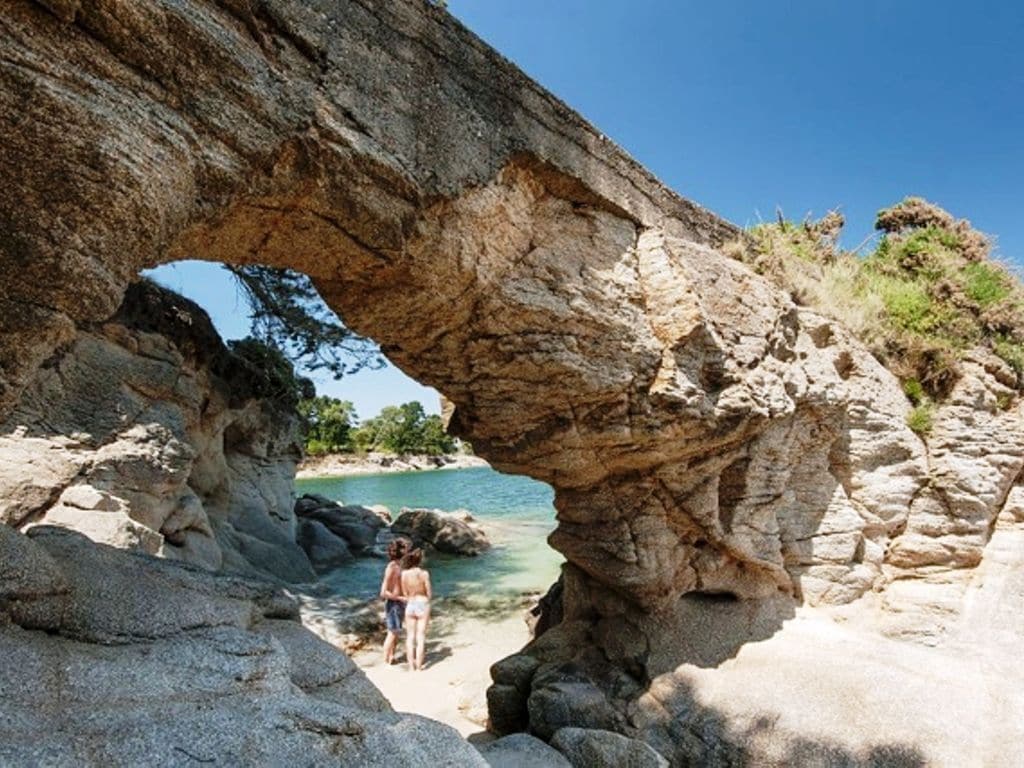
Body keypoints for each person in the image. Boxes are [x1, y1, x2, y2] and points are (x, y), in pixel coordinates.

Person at [399, 548, 432, 671]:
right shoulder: (424, 574)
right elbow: (429, 593)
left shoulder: (404, 574)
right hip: (422, 602)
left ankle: (411, 667)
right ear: (420, 560)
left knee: (410, 636)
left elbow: (405, 593)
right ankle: (419, 667)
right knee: (421, 636)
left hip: (411, 604)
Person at [379, 537, 410, 665]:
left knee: (396, 633)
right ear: (400, 550)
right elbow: (383, 592)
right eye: (406, 548)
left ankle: (391, 657)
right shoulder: (391, 567)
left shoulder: (399, 565)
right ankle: (385, 662)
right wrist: (399, 598)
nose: (408, 550)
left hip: (400, 603)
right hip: (393, 604)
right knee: (392, 633)